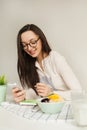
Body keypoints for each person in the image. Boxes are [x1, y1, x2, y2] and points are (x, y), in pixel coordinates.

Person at [12, 24, 82, 103]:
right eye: (24, 45)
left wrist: (51, 93)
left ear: (41, 39)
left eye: (33, 42)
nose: (29, 48)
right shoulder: (30, 65)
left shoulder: (55, 58)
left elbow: (78, 93)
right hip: (48, 110)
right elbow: (37, 94)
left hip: (67, 108)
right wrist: (23, 96)